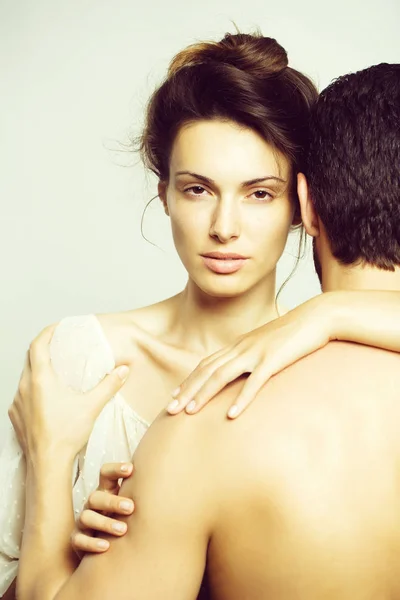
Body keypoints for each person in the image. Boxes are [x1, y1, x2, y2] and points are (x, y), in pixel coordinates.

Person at [2, 32, 400, 598]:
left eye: (260, 193)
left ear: (302, 206)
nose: (224, 226)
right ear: (163, 192)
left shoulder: (209, 426)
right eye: (197, 189)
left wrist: (330, 313)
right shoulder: (80, 358)